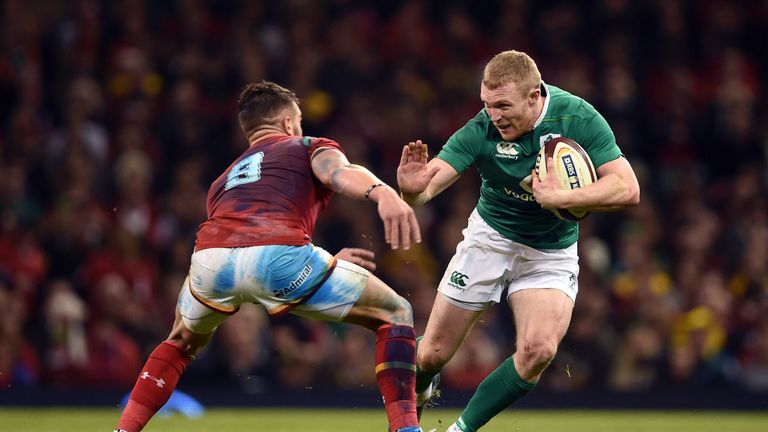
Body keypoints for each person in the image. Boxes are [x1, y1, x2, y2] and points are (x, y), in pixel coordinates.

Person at [113, 81, 424, 432]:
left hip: (210, 260)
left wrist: (323, 261)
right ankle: (407, 429)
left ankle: (123, 430)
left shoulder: (223, 180)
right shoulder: (306, 145)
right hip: (280, 258)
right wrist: (382, 194)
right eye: (300, 120)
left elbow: (246, 249)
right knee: (395, 312)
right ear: (289, 123)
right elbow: (338, 172)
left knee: (180, 341)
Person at [396, 50, 640, 432]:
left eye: (503, 105)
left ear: (534, 96)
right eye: (487, 104)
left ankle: (459, 430)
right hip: (490, 238)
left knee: (539, 350)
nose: (494, 115)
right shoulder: (481, 130)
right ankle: (413, 410)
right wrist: (412, 192)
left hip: (551, 250)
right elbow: (428, 186)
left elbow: (627, 188)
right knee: (431, 355)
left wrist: (561, 199)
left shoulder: (577, 117)